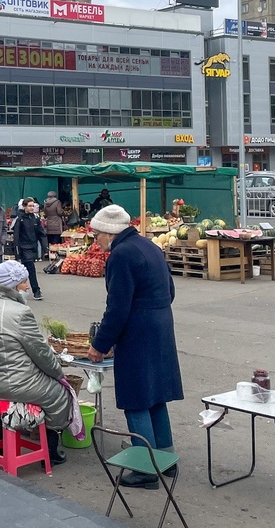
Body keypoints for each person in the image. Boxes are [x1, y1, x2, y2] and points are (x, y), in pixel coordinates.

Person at [87, 205, 183, 488]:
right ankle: (167, 461)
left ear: (109, 232)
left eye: (98, 235)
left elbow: (117, 308)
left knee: (136, 399)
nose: (97, 241)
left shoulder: (122, 254)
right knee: (156, 396)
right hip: (161, 325)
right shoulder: (149, 246)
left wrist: (100, 344)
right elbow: (170, 290)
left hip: (138, 331)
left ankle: (145, 470)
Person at [0, 260, 72, 466]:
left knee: (7, 399)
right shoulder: (21, 313)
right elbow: (41, 354)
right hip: (18, 384)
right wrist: (59, 374)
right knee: (60, 395)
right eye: (24, 282)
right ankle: (50, 449)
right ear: (15, 286)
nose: (27, 287)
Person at [13, 198, 45, 300]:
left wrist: (45, 247)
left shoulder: (35, 218)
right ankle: (36, 291)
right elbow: (16, 236)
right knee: (31, 269)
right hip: (24, 248)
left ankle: (18, 290)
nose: (32, 208)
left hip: (33, 247)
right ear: (24, 207)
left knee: (23, 271)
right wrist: (17, 251)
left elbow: (41, 233)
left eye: (33, 206)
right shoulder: (20, 219)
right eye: (30, 206)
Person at [43, 191, 64, 261]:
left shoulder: (46, 202)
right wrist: (64, 213)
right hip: (56, 222)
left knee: (50, 240)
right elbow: (59, 212)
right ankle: (56, 255)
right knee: (56, 238)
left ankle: (50, 254)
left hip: (49, 221)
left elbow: (45, 213)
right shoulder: (57, 202)